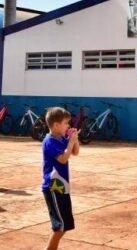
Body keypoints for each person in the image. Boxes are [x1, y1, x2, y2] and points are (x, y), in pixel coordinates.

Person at [42, 107, 80, 250]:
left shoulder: (61, 138)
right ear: (56, 125)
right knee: (60, 225)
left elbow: (75, 152)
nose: (68, 126)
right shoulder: (50, 141)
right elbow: (63, 158)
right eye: (65, 123)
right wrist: (70, 143)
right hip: (53, 187)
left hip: (62, 186)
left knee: (65, 224)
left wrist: (73, 140)